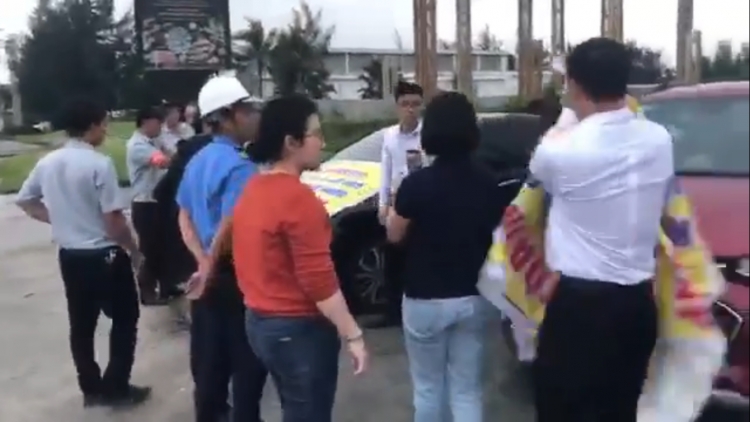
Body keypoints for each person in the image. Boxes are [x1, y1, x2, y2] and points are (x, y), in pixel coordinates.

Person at [529, 38, 670, 421]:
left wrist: (567, 111)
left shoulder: (560, 150)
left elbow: (539, 172)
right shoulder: (659, 140)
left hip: (580, 308)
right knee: (619, 410)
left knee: (562, 410)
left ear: (574, 84)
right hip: (637, 305)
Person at [219, 94, 368, 422]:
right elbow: (319, 281)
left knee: (295, 407)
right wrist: (352, 333)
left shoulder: (253, 188)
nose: (323, 142)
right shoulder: (298, 200)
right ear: (291, 142)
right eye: (316, 134)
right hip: (298, 330)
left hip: (260, 323)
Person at [384, 92, 514, 422]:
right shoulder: (488, 182)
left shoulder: (416, 184)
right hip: (475, 296)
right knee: (467, 390)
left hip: (424, 297)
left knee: (428, 389)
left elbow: (394, 235)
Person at [15, 97, 151, 407]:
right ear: (91, 126)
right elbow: (113, 220)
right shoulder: (98, 164)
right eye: (103, 124)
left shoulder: (48, 162)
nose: (105, 130)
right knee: (125, 319)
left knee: (82, 325)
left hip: (71, 256)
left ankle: (91, 388)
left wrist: (61, 219)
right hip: (104, 255)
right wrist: (134, 251)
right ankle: (116, 387)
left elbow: (26, 200)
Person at [176, 75, 267, 422]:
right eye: (248, 109)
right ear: (228, 116)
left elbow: (183, 215)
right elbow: (230, 226)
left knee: (209, 368)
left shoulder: (198, 159)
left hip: (208, 278)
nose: (255, 116)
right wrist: (211, 265)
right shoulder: (241, 167)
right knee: (247, 368)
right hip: (232, 277)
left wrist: (201, 262)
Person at [370, 80, 424, 328]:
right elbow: (386, 171)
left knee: (417, 257)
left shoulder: (427, 135)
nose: (410, 109)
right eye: (405, 104)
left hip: (420, 203)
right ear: (397, 106)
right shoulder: (390, 136)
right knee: (392, 259)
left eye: (415, 104)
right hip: (396, 202)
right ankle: (393, 312)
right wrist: (383, 204)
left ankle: (417, 309)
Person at [126, 106, 172, 306]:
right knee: (149, 249)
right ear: (145, 122)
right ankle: (147, 291)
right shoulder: (138, 145)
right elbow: (161, 161)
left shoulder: (155, 141)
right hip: (145, 204)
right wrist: (176, 157)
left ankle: (167, 285)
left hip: (159, 202)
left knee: (164, 247)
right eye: (157, 123)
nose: (160, 127)